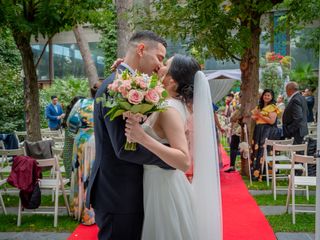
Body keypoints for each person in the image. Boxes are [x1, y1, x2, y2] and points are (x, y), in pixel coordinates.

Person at [86, 31, 173, 240]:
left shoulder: (128, 82)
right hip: (118, 194)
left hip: (127, 192)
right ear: (141, 50)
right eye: (159, 58)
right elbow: (124, 147)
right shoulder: (114, 88)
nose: (160, 66)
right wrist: (169, 158)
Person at [125, 54, 222, 240]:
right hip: (158, 182)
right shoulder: (170, 104)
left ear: (171, 78)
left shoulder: (169, 108)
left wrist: (142, 137)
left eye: (165, 64)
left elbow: (184, 160)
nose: (160, 66)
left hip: (165, 188)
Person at [68, 83, 101, 225]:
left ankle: (79, 209)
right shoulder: (104, 104)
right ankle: (92, 213)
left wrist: (79, 132)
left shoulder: (81, 103)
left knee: (80, 175)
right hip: (97, 141)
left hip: (80, 141)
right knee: (93, 175)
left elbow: (71, 123)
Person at [251, 89, 281, 181]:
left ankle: (265, 174)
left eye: (268, 95)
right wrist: (257, 116)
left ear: (272, 97)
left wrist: (259, 116)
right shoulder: (259, 106)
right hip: (259, 130)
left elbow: (272, 121)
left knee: (265, 151)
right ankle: (256, 171)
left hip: (268, 131)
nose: (266, 97)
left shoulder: (272, 107)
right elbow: (253, 116)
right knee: (258, 150)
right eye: (265, 95)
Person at [61, 96, 85, 180]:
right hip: (70, 154)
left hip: (74, 153)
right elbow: (72, 135)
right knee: (74, 180)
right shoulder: (72, 118)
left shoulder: (75, 117)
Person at [225, 93, 242, 173]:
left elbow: (232, 117)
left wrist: (233, 117)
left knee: (234, 147)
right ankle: (233, 165)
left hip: (238, 129)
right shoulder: (237, 105)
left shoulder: (241, 106)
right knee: (234, 147)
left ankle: (233, 166)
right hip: (235, 128)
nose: (236, 98)